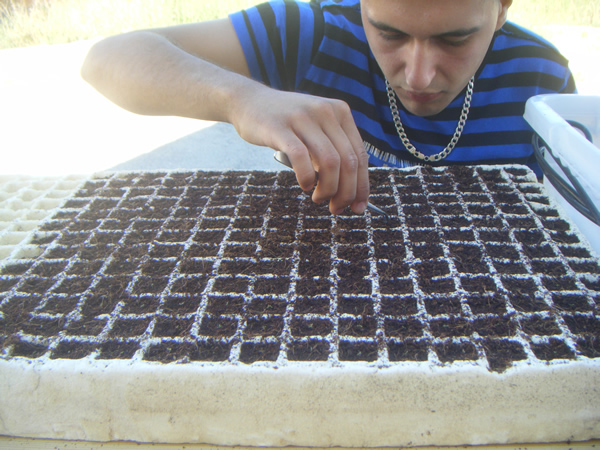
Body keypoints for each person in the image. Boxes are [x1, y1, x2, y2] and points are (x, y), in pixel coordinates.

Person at [81, 0, 576, 215]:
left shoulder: (542, 78)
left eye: (456, 39)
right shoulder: (311, 35)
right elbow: (106, 61)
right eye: (389, 32)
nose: (419, 74)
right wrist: (243, 98)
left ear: (502, 10)